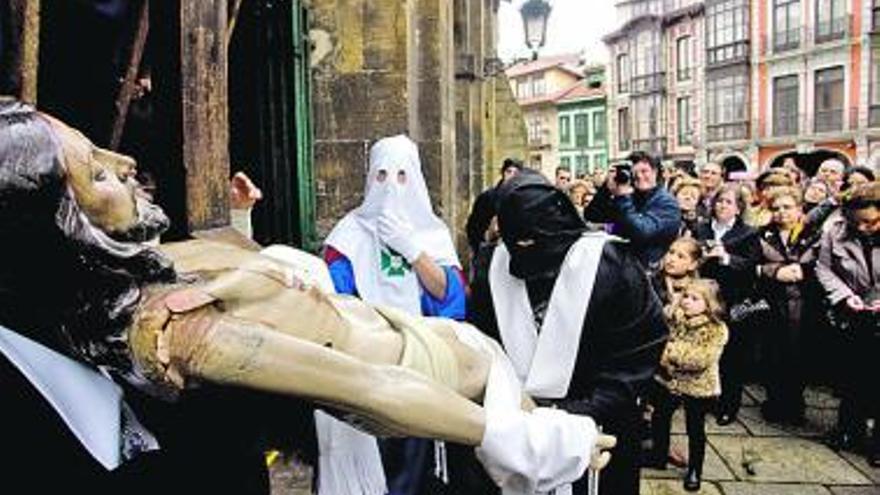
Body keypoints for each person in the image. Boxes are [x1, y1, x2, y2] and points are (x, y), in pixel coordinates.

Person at [0, 101, 616, 493]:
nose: (127, 161)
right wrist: (522, 439)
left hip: (442, 349)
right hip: (421, 376)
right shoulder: (177, 327)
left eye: (404, 176)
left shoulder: (165, 261)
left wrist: (245, 232)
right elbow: (362, 388)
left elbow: (451, 298)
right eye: (99, 173)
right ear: (59, 224)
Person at [469, 169, 669, 495]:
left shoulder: (612, 263)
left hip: (597, 417)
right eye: (516, 242)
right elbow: (482, 343)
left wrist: (568, 416)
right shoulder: (493, 265)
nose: (525, 251)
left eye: (535, 243)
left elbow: (640, 350)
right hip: (514, 427)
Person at [322, 134, 466, 495]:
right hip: (366, 369)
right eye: (382, 176)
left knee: (416, 466)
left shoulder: (431, 233)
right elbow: (337, 300)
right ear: (370, 178)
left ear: (415, 179)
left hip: (421, 364)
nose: (391, 186)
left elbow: (451, 299)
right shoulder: (347, 235)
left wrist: (414, 251)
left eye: (401, 176)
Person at [816, 181, 880, 466]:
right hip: (855, 313)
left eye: (872, 222)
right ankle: (848, 430)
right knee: (854, 376)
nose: (865, 228)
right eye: (858, 223)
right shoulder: (835, 232)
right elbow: (824, 268)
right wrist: (844, 296)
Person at [646, 279, 728, 492]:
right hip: (669, 380)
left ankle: (695, 470)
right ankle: (658, 455)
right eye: (686, 296)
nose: (687, 302)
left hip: (698, 385)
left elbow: (700, 359)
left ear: (709, 304)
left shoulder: (716, 329)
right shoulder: (677, 317)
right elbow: (660, 328)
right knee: (660, 416)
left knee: (695, 427)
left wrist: (667, 353)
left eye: (694, 299)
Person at [693, 185, 761, 425]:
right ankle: (707, 398)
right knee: (705, 349)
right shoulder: (700, 228)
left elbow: (751, 265)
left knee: (731, 355)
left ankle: (729, 406)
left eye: (729, 202)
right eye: (720, 201)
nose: (722, 206)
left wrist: (725, 257)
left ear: (739, 208)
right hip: (703, 298)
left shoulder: (749, 233)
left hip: (733, 299)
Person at [756, 186, 824, 425]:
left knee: (800, 355)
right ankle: (774, 402)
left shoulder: (814, 233)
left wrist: (803, 271)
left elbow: (824, 265)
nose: (782, 213)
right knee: (774, 354)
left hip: (806, 304)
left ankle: (795, 404)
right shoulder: (762, 235)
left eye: (787, 207)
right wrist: (774, 271)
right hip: (773, 303)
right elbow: (753, 265)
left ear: (799, 209)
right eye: (776, 208)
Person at [583, 151, 681, 268]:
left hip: (649, 271)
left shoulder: (666, 203)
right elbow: (592, 215)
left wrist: (623, 197)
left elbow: (641, 232)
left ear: (655, 172)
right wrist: (606, 189)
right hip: (624, 267)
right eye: (634, 173)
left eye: (644, 171)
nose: (639, 176)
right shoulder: (629, 197)